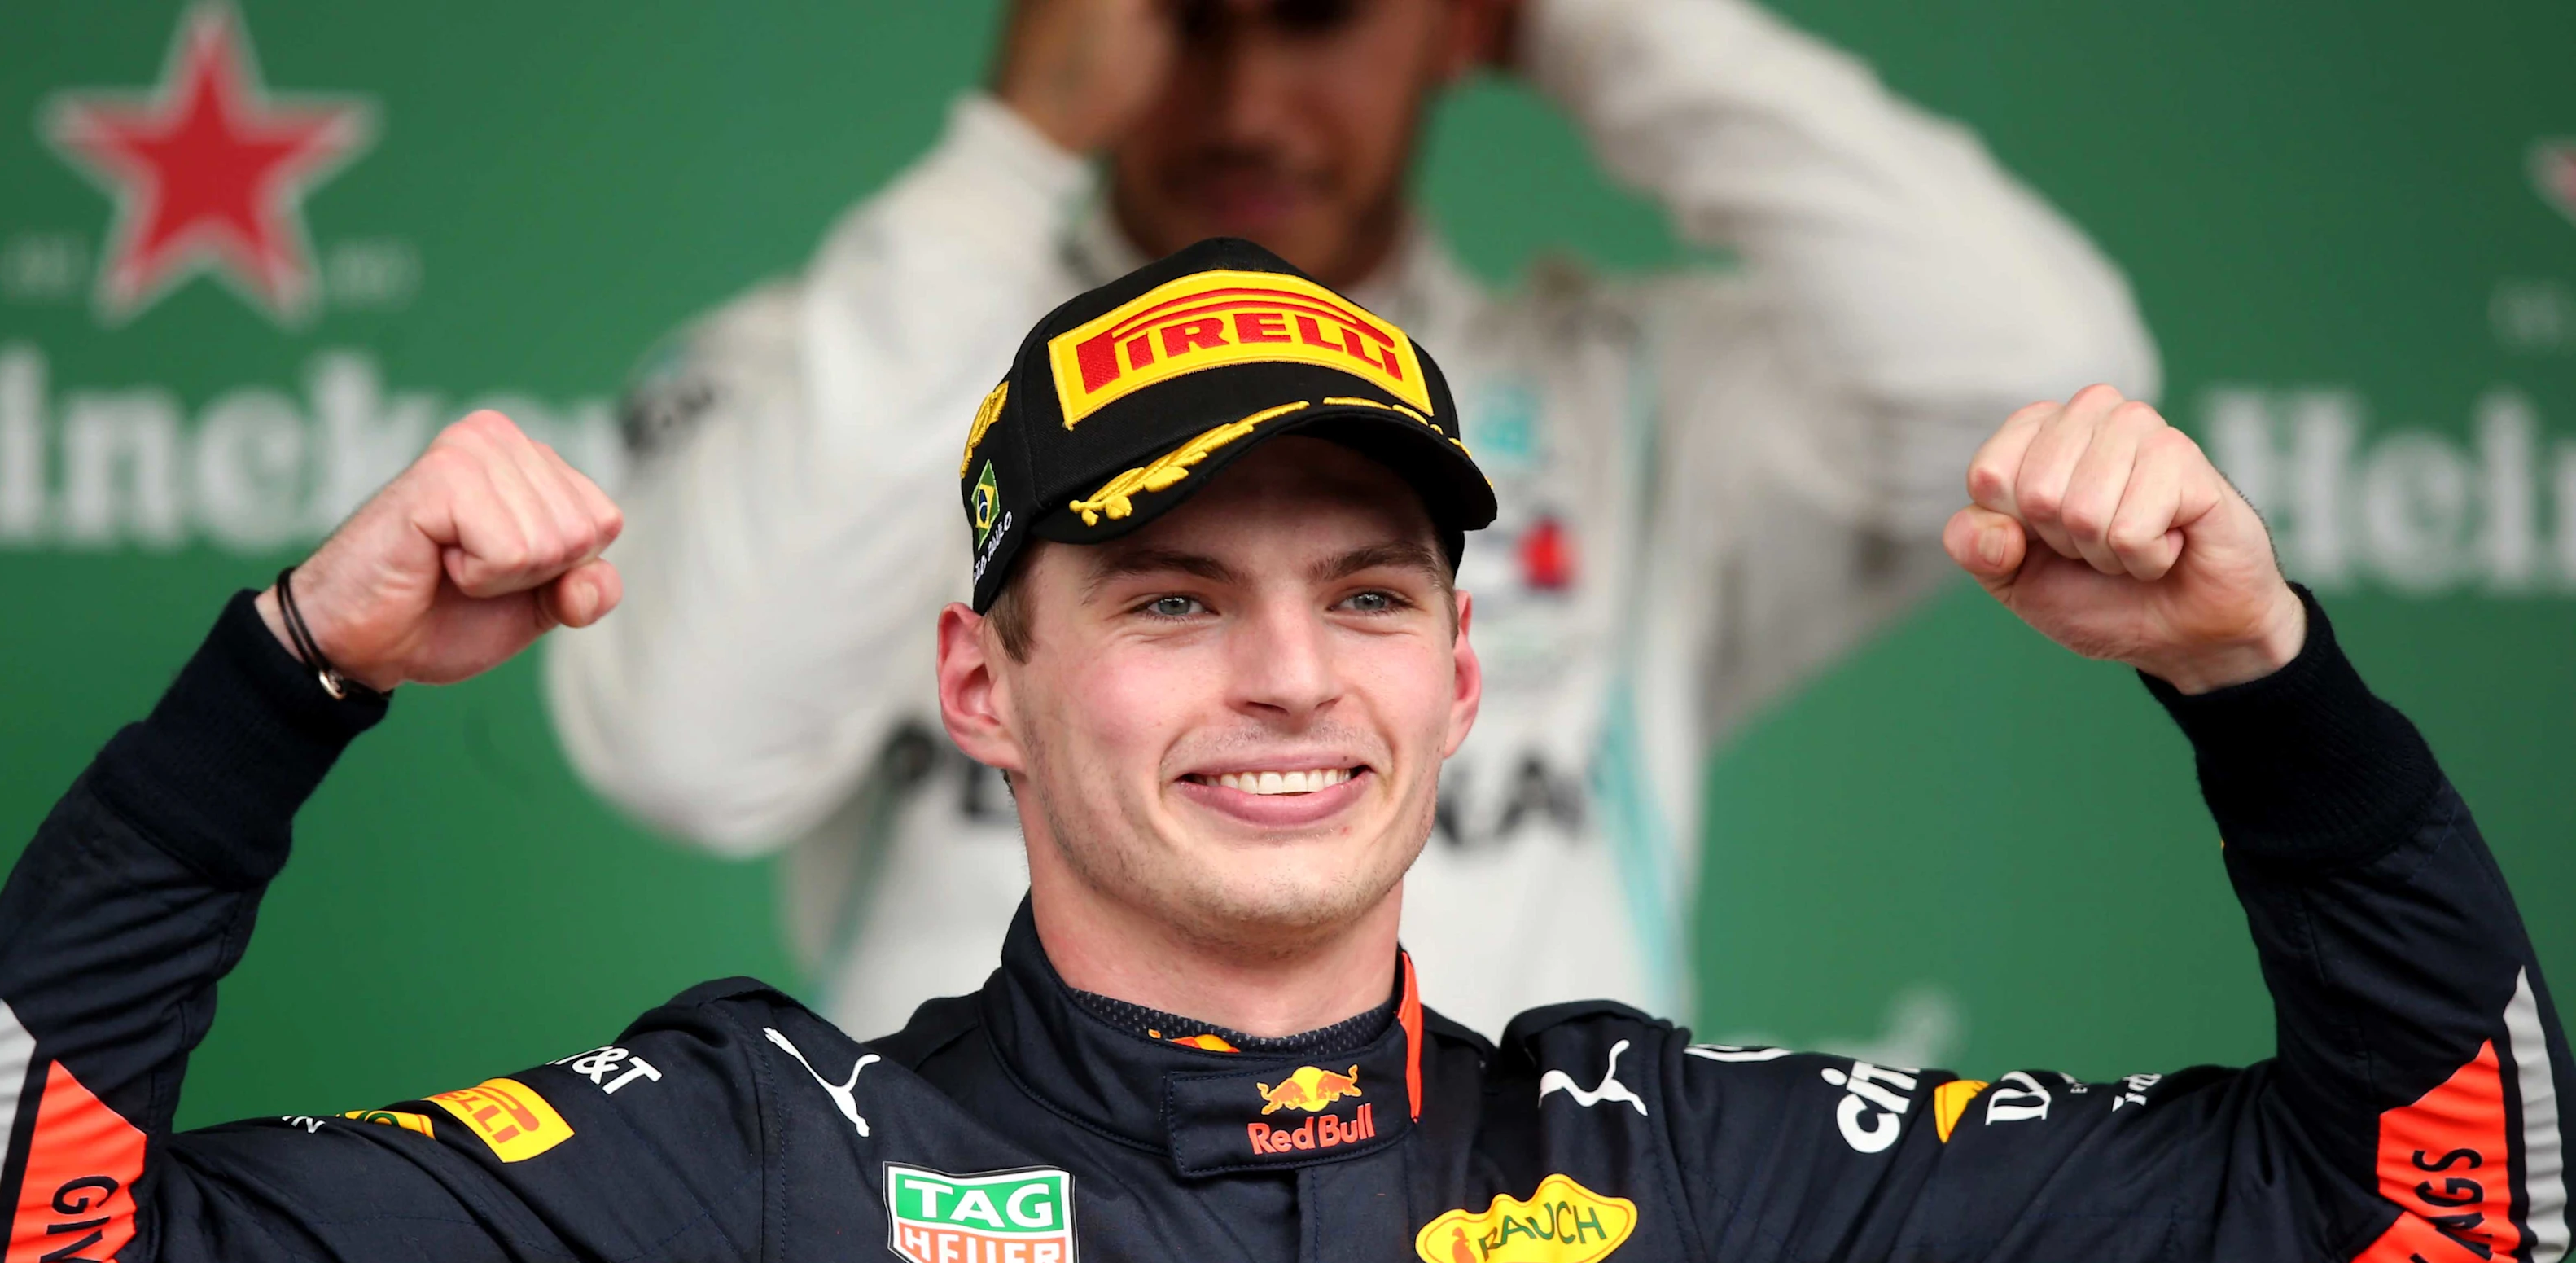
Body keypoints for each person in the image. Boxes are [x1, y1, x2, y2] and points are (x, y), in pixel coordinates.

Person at [0, 243, 2559, 1263]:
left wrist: (2258, 677)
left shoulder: (1684, 1173)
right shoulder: (755, 1174)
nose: (1286, 675)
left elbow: (2437, 1194)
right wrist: (276, 683)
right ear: (981, 686)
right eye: (1165, 592)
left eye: (1366, 590)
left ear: (1467, 676)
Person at [543, 0, 2160, 1039]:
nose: (1245, 99)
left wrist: (1591, 25)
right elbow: (683, 746)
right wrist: (1002, 157)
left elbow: (2044, 379)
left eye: (1317, 16)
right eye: (1178, 20)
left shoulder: (1627, 387)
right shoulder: (862, 363)